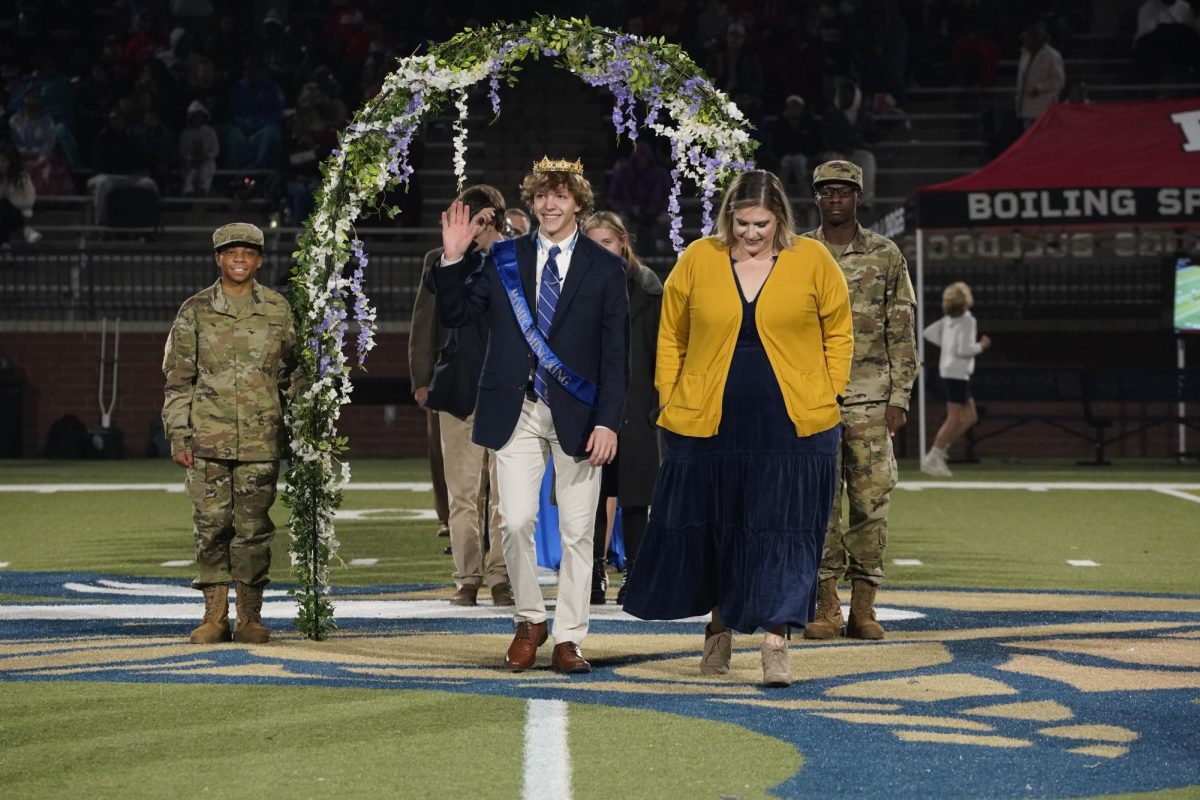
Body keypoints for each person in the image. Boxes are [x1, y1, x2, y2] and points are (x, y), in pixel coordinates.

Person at [624, 170, 854, 687]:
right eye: (743, 222)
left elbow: (838, 329)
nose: (751, 233)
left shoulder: (813, 260)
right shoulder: (698, 259)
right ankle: (719, 630)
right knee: (716, 527)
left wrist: (830, 389)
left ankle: (777, 643)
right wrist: (669, 398)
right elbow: (671, 336)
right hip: (709, 421)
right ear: (728, 216)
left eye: (762, 224)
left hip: (794, 424)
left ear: (781, 220)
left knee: (785, 532)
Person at [432, 157, 629, 675]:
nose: (549, 204)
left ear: (578, 205)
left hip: (582, 415)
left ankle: (568, 639)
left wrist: (609, 421)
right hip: (515, 408)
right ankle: (529, 619)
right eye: (542, 195)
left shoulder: (605, 267)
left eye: (560, 196)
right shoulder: (503, 258)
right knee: (515, 520)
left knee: (578, 532)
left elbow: (616, 355)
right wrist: (453, 261)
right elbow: (456, 314)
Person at [162, 222, 299, 645]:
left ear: (259, 259)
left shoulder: (277, 309)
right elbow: (177, 380)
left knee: (254, 529)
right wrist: (179, 436)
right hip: (208, 441)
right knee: (212, 527)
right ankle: (215, 616)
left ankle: (250, 616)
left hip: (261, 440)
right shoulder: (195, 310)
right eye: (231, 251)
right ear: (218, 258)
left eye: (248, 252)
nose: (239, 258)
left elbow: (293, 376)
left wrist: (303, 430)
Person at [800, 160, 919, 642]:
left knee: (871, 504)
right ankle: (826, 607)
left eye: (844, 192)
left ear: (858, 198)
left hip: (871, 399)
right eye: (827, 192)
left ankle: (864, 609)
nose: (835, 200)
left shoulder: (886, 255)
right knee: (819, 505)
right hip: (812, 398)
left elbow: (901, 327)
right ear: (816, 197)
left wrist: (901, 395)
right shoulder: (798, 252)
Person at [409, 184, 513, 607]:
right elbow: (426, 320)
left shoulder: (515, 257)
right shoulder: (442, 261)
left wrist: (494, 242)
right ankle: (467, 578)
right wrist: (421, 376)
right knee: (463, 493)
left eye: (480, 217)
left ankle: (503, 576)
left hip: (507, 392)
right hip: (458, 389)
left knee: (506, 495)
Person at [580, 211, 663, 605]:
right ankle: (593, 575)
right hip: (590, 405)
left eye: (608, 243)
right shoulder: (574, 287)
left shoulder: (648, 288)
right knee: (590, 495)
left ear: (624, 242)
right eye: (593, 244)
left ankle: (637, 573)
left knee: (635, 498)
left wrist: (657, 403)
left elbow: (660, 351)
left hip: (638, 404)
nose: (602, 251)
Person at [921, 282, 991, 477]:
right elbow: (964, 350)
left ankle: (939, 452)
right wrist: (981, 346)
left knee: (971, 417)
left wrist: (948, 345)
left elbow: (928, 333)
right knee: (954, 418)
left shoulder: (949, 320)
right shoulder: (968, 320)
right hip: (957, 373)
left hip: (951, 371)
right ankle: (934, 455)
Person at [1015, 23, 1064, 129]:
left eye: (1027, 39)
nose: (1025, 42)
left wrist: (1040, 87)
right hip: (1025, 106)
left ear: (1036, 39)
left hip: (1043, 107)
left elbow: (1059, 80)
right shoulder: (1025, 53)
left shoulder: (1052, 55)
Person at [0, 143, 41, 244]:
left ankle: (6, 244)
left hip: (18, 214)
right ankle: (25, 230)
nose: (1, 164)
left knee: (4, 205)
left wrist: (11, 199)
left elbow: (29, 201)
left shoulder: (22, 178)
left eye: (4, 161)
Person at [179, 100, 219, 196]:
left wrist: (205, 157)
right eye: (194, 116)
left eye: (199, 115)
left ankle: (203, 189)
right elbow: (182, 151)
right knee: (189, 174)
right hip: (190, 162)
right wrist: (191, 158)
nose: (197, 118)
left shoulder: (210, 132)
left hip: (206, 161)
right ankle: (188, 191)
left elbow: (215, 150)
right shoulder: (185, 134)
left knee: (205, 172)